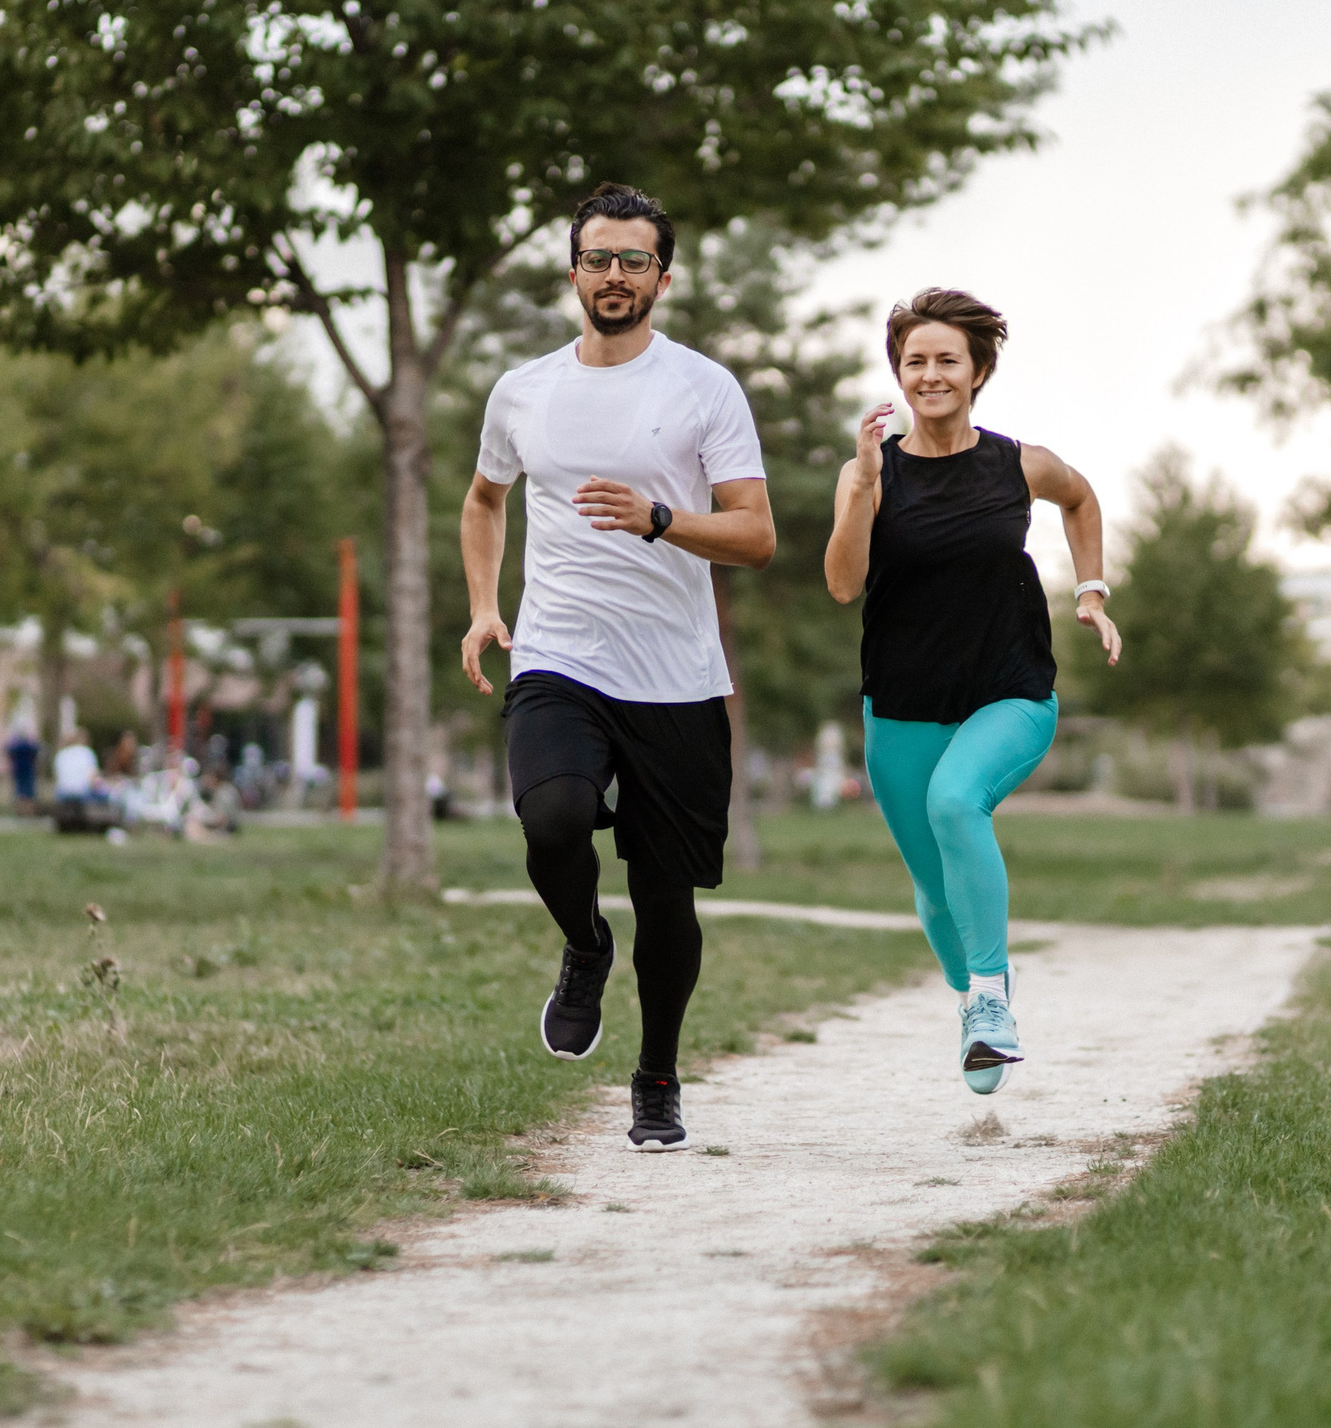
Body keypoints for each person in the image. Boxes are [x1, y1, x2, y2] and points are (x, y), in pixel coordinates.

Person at [460, 182, 775, 1152]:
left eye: (633, 260)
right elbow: (483, 502)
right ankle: (584, 947)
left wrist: (661, 520)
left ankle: (657, 1077)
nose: (614, 275)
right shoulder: (523, 391)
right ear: (573, 272)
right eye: (598, 258)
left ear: (662, 279)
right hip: (559, 655)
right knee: (550, 817)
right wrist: (483, 608)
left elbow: (757, 536)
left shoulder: (703, 389)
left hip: (675, 679)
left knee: (665, 897)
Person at [823, 289, 1120, 1095]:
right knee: (933, 885)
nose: (930, 374)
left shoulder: (1020, 463)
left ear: (979, 369)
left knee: (958, 803)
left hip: (1011, 687)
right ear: (898, 373)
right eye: (914, 361)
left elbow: (1082, 496)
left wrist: (1090, 588)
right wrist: (857, 489)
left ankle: (990, 999)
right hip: (903, 702)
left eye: (946, 359)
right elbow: (843, 584)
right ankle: (974, 1004)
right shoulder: (873, 474)